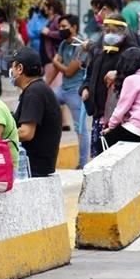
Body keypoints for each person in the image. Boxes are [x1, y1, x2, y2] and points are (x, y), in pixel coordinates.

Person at [81, 14, 140, 158]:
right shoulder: (99, 50)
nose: (109, 35)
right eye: (107, 30)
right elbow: (90, 74)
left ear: (123, 31)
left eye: (114, 31)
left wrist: (118, 74)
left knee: (114, 158)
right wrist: (85, 88)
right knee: (98, 157)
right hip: (99, 115)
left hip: (120, 118)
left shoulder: (132, 53)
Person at [10, 47, 61, 177]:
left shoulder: (34, 93)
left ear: (20, 69)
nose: (11, 72)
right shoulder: (37, 89)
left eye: (13, 67)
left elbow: (26, 133)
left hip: (33, 167)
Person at [52, 14, 89, 168]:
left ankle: (82, 163)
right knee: (45, 106)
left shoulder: (81, 46)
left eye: (64, 27)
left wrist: (55, 62)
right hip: (63, 88)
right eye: (60, 27)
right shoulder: (63, 44)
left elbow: (68, 71)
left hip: (76, 90)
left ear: (74, 27)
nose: (61, 30)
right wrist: (45, 86)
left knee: (80, 128)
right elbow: (57, 67)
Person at [38, 0, 64, 84]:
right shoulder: (50, 20)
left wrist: (49, 32)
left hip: (52, 57)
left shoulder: (57, 19)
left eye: (45, 6)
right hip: (47, 58)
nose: (43, 8)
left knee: (53, 84)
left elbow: (62, 34)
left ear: (51, 8)